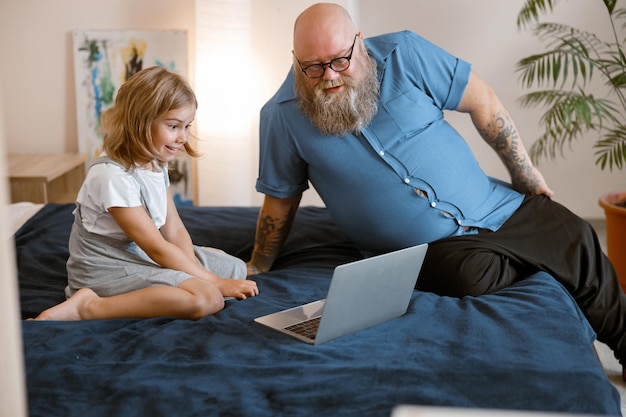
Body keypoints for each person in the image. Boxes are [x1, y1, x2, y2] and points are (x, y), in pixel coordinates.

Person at [247, 2, 626, 377]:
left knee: (575, 233)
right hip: (428, 249)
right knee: (469, 276)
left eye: (339, 60)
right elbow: (280, 199)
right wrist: (259, 263)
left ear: (358, 43)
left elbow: (484, 103)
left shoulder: (406, 53)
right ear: (296, 59)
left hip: (494, 206)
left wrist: (524, 174)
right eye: (312, 67)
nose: (329, 76)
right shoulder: (280, 116)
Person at [35, 66, 258, 321]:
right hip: (107, 268)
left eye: (187, 126)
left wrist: (200, 271)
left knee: (236, 269)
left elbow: (173, 230)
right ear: (139, 122)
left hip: (137, 252)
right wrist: (213, 282)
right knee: (207, 297)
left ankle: (194, 276)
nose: (183, 137)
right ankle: (88, 306)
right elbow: (157, 249)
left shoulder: (155, 162)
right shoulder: (112, 177)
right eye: (174, 126)